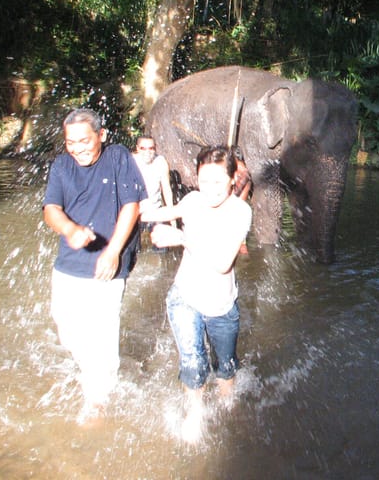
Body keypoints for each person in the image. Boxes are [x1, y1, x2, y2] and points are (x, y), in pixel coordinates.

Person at [141, 145, 252, 442]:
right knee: (192, 361)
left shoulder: (241, 212)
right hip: (185, 296)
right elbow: (156, 211)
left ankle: (229, 407)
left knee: (226, 368)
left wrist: (180, 237)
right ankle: (195, 410)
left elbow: (222, 263)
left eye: (217, 182)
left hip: (221, 305)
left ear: (232, 180)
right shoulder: (192, 200)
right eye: (203, 181)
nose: (210, 190)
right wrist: (129, 207)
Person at [42, 108, 145, 422]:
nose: (77, 148)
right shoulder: (61, 165)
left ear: (102, 135)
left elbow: (132, 206)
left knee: (102, 329)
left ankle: (98, 400)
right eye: (70, 142)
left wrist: (114, 250)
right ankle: (94, 372)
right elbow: (51, 210)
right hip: (69, 263)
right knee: (66, 329)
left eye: (84, 140)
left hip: (109, 263)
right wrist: (70, 230)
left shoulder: (117, 158)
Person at [133, 135, 176, 244]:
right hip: (135, 214)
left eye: (151, 148)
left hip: (155, 212)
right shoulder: (131, 161)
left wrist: (172, 217)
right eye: (143, 148)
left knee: (161, 249)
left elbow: (166, 189)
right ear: (137, 148)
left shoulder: (160, 162)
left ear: (155, 148)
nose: (147, 152)